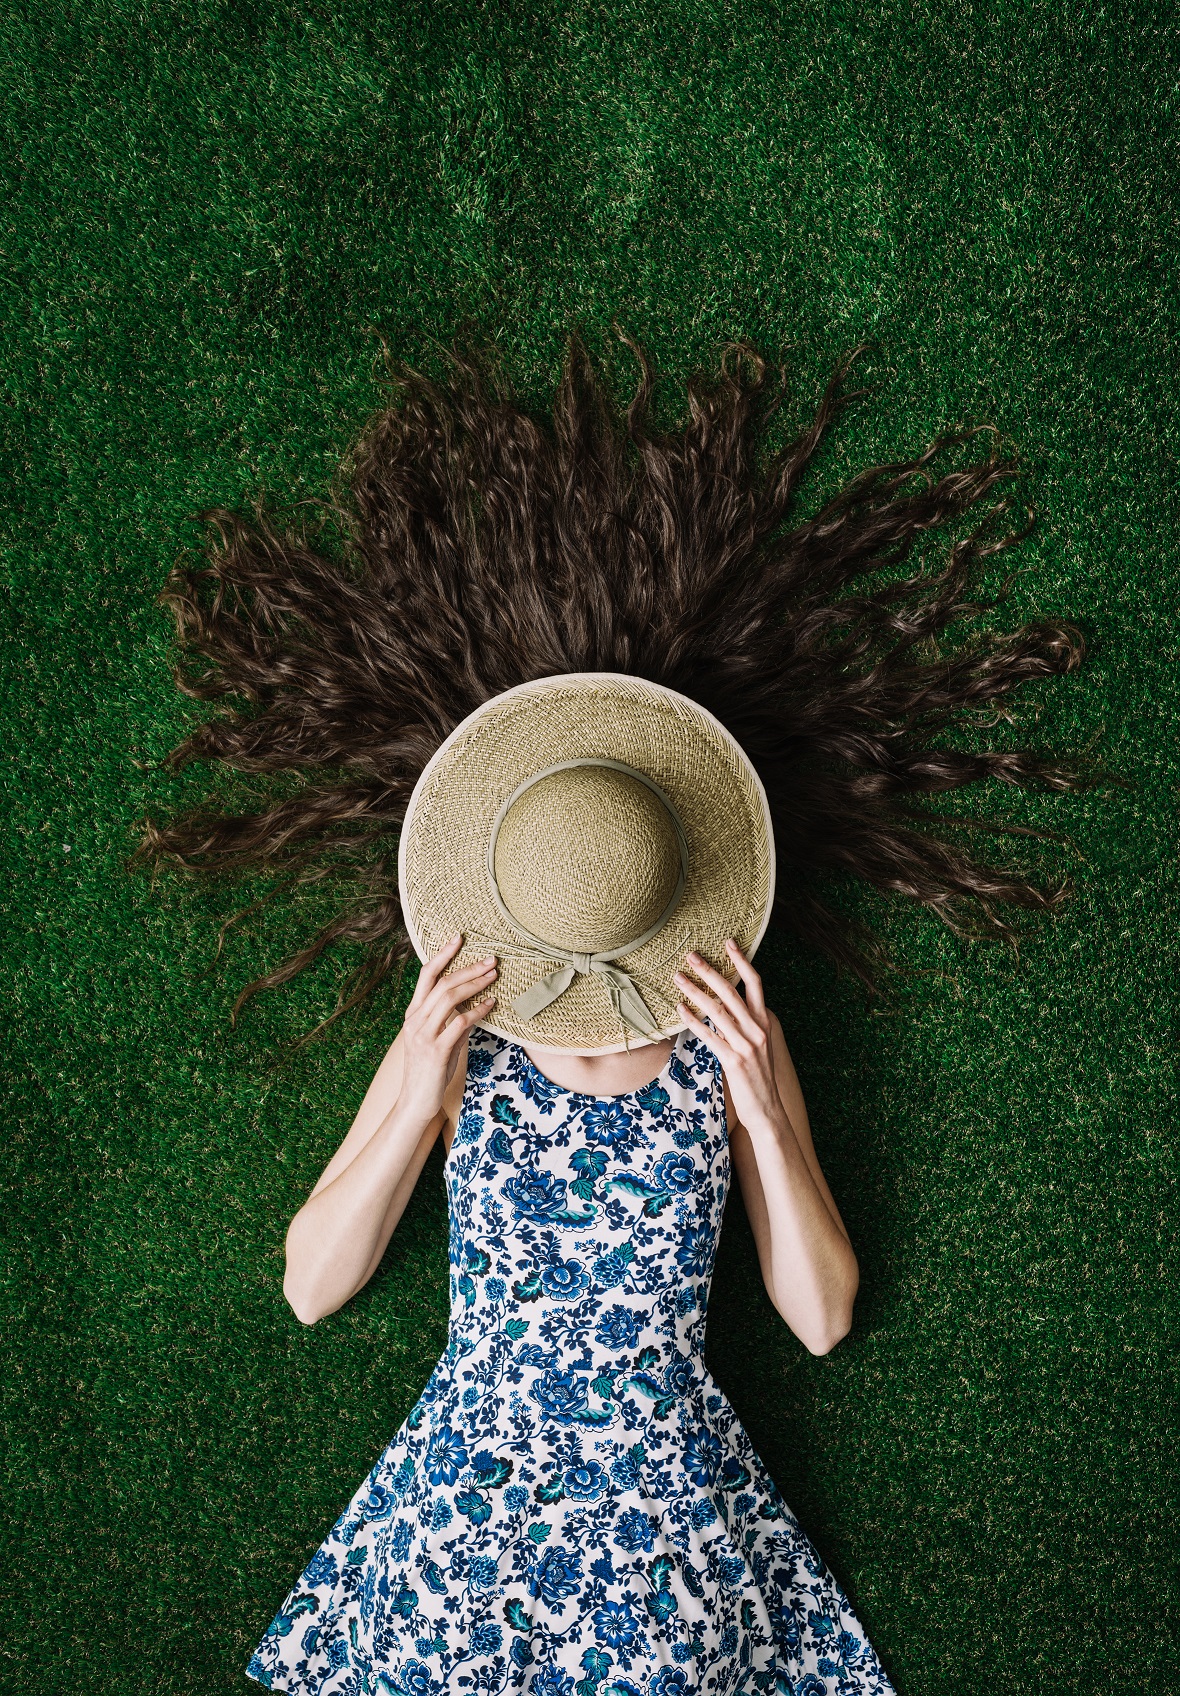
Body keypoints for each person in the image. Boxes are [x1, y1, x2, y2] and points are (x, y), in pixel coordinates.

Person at [135, 331, 1088, 1694]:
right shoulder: (467, 1047)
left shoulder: (726, 1041)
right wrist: (414, 1085)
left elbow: (820, 1318)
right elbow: (310, 1287)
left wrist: (765, 1106)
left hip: (665, 1550)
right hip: (466, 1537)